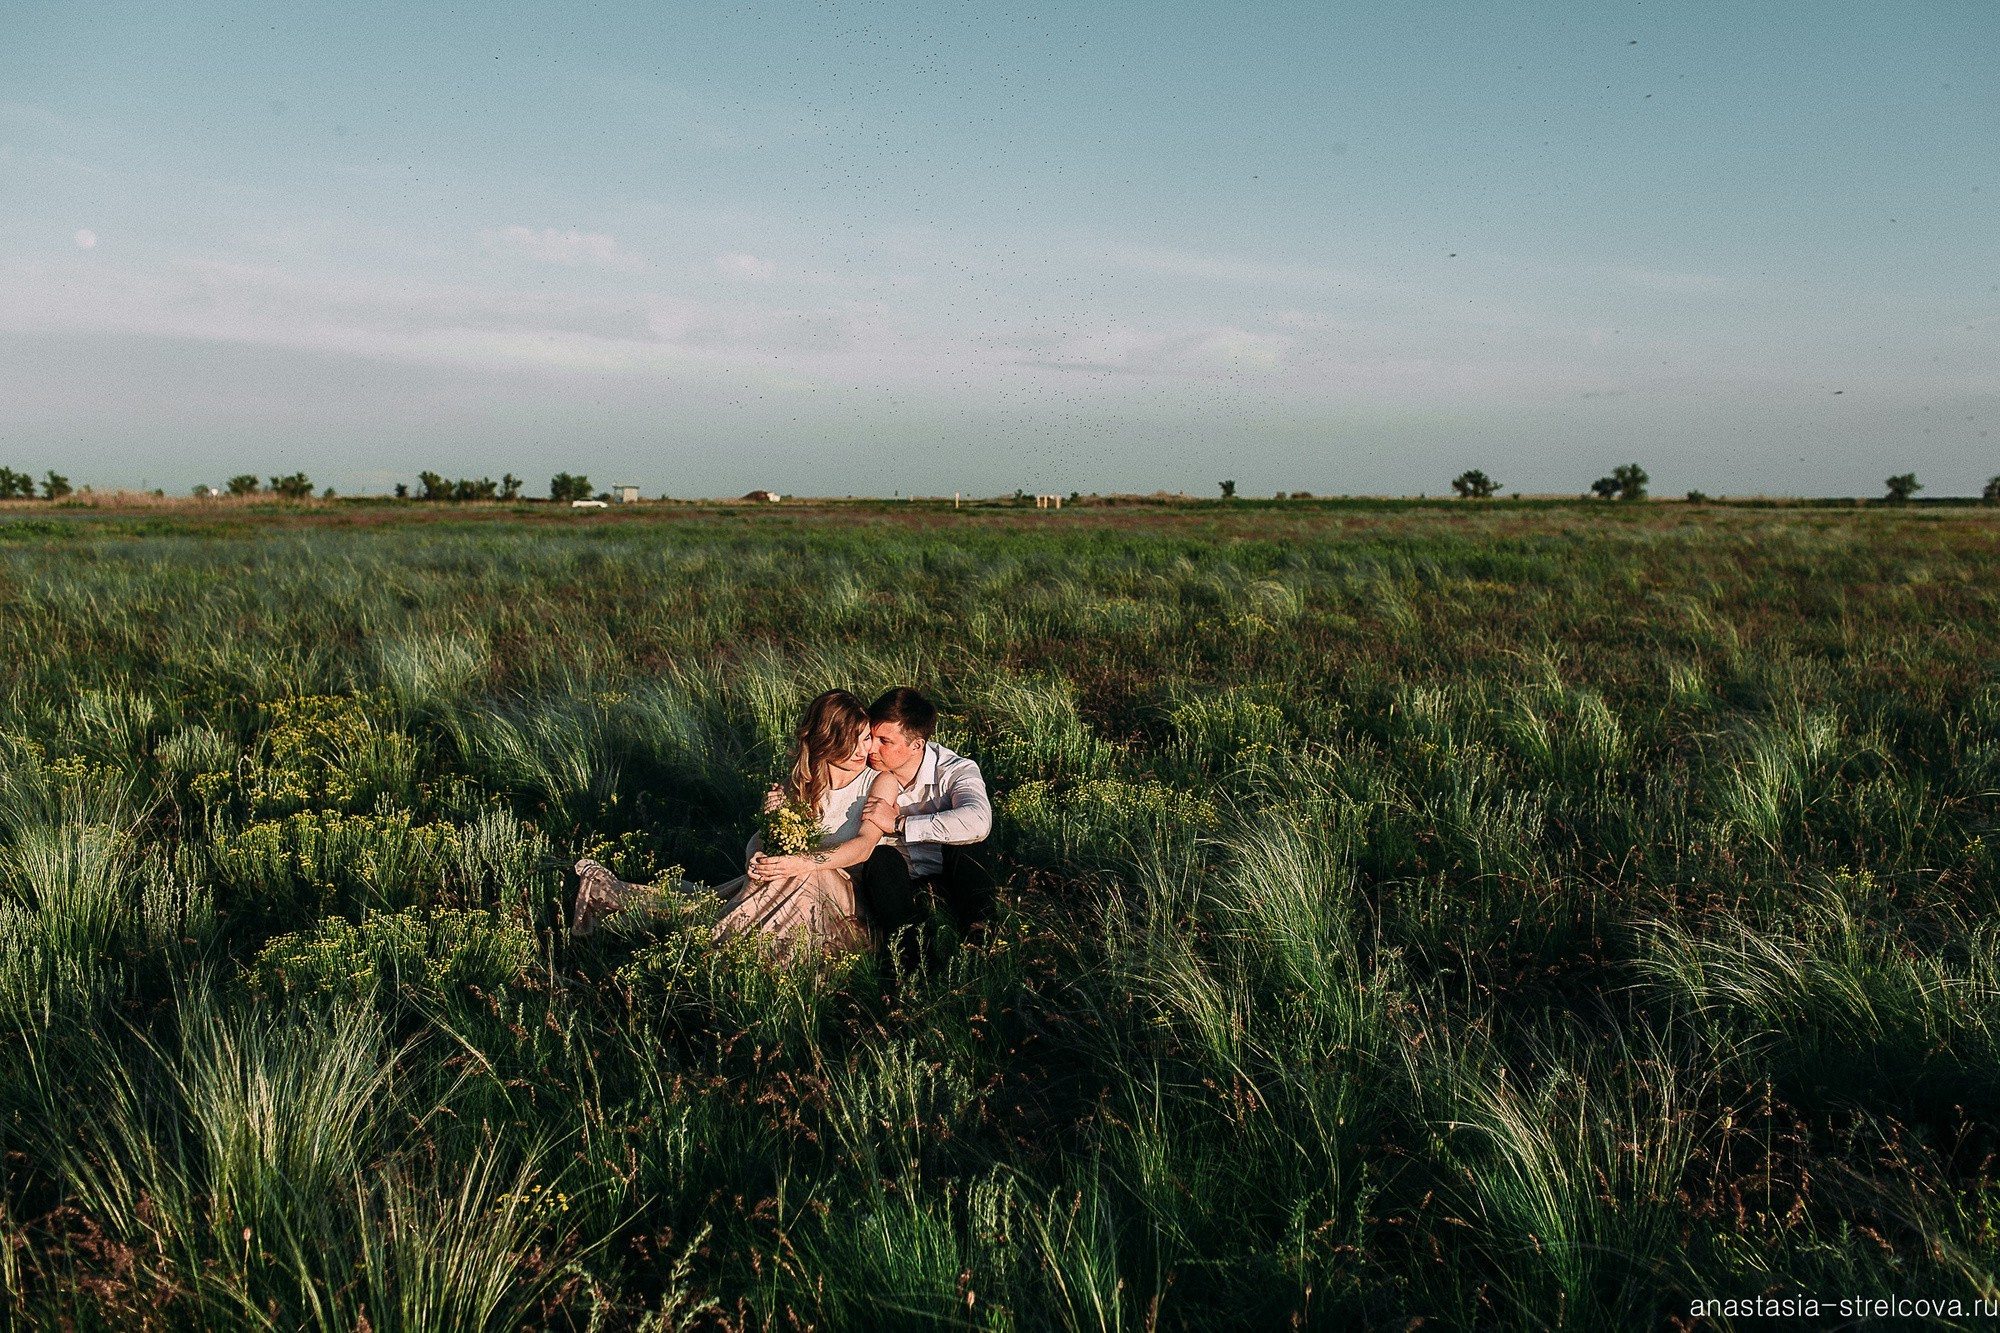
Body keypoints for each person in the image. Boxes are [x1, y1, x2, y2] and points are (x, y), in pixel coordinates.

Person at [571, 689, 901, 956]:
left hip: (847, 894)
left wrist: (798, 863)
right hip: (792, 880)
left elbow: (863, 847)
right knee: (775, 878)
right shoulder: (799, 783)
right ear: (826, 740)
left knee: (804, 879)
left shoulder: (878, 781)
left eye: (866, 738)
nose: (864, 749)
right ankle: (735, 950)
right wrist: (756, 856)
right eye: (853, 740)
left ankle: (717, 951)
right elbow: (765, 839)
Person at [853, 687, 997, 944]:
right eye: (870, 736)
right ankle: (908, 951)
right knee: (880, 858)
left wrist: (900, 824)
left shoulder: (955, 770)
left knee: (968, 842)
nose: (871, 748)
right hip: (898, 884)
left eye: (885, 741)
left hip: (950, 877)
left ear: (916, 745)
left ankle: (980, 937)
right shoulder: (863, 765)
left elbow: (979, 819)